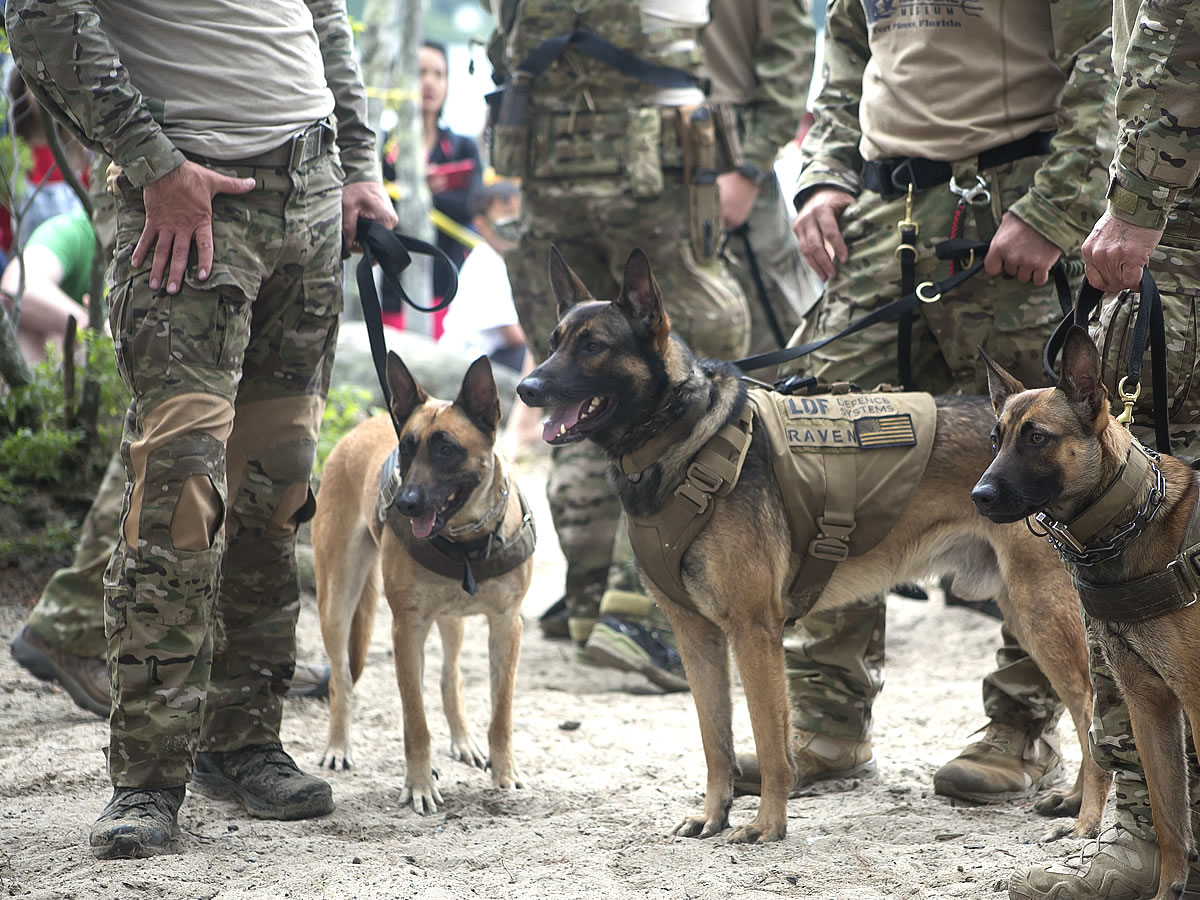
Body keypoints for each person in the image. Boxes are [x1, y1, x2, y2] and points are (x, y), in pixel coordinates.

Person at [6, 0, 396, 860]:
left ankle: (244, 742)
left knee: (276, 492)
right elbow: (38, 13)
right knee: (179, 498)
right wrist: (150, 163)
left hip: (308, 199)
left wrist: (357, 165)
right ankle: (146, 778)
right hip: (189, 208)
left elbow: (323, 11)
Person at [732, 0, 1116, 808]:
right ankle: (825, 720)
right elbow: (842, 56)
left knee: (1046, 487)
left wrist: (1054, 208)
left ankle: (1025, 726)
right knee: (818, 467)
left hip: (1010, 213)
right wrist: (825, 176)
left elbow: (1104, 63)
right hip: (878, 218)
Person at [491, 0, 751, 665]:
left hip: (643, 168)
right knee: (590, 382)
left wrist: (751, 163)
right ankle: (615, 609)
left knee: (612, 378)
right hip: (582, 173)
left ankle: (623, 605)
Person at [571, 0, 822, 686]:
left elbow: (790, 48)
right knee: (624, 388)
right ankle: (619, 602)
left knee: (765, 367)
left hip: (718, 159)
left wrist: (750, 161)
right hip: (627, 164)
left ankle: (768, 586)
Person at [1009, 0, 1200, 896]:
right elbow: (1104, 60)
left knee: (1151, 556)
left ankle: (1154, 849)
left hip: (1177, 219)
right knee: (1128, 565)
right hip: (1163, 210)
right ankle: (1156, 848)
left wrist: (1138, 204)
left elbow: (1174, 33)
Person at [382, 40, 483, 332]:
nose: (430, 82)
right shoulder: (382, 149)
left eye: (439, 74)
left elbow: (474, 204)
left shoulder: (461, 147)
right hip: (391, 291)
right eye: (420, 72)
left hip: (449, 287)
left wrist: (424, 193)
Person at [437, 179, 528, 374]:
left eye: (520, 217)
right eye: (507, 217)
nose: (515, 225)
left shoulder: (507, 261)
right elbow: (512, 334)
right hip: (469, 361)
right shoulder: (486, 264)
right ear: (482, 225)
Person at [0, 207, 94, 362]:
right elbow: (14, 289)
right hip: (60, 359)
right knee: (25, 327)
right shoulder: (74, 231)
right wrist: (90, 326)